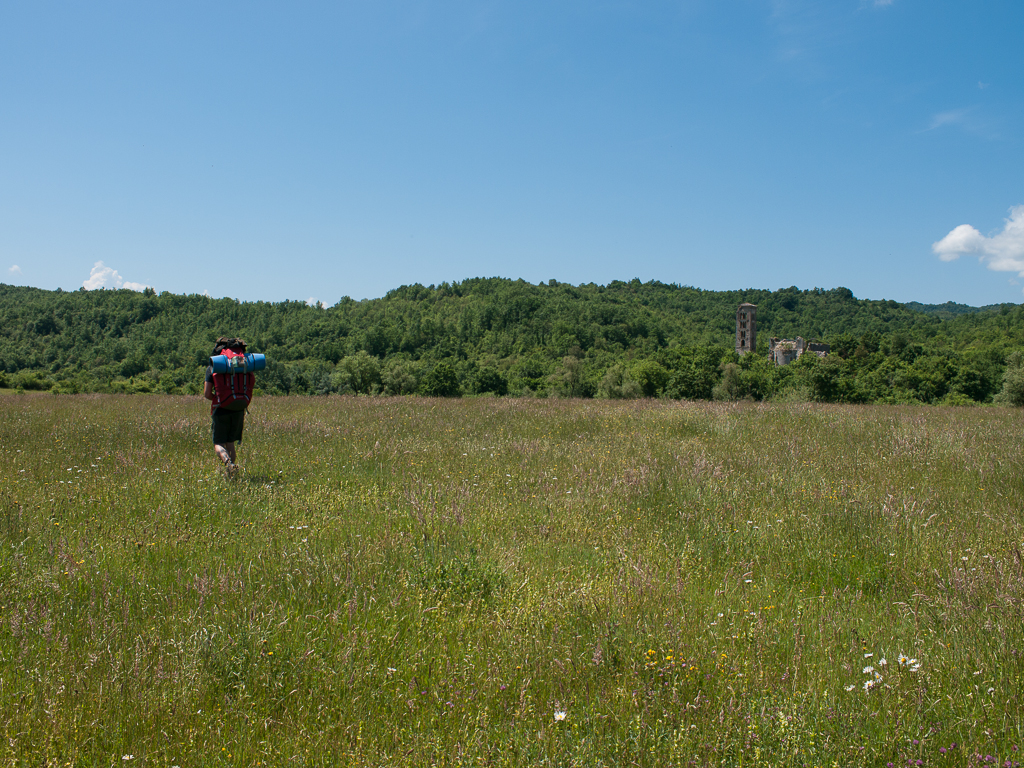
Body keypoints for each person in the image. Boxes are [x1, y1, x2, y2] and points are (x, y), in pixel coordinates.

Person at [203, 337, 253, 478]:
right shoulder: (243, 365)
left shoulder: (213, 367)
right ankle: (232, 474)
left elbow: (207, 394)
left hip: (221, 409)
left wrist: (219, 399)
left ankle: (228, 463)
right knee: (230, 442)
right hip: (239, 408)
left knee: (219, 443)